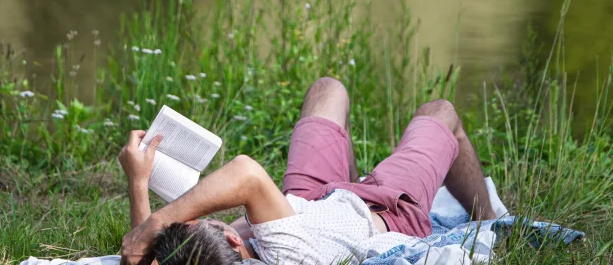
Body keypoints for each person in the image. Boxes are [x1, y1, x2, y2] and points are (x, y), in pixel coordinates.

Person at [118, 77, 497, 265]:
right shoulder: (288, 257)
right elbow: (246, 173)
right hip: (385, 211)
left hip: (309, 197)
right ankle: (492, 219)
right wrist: (153, 225)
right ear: (235, 243)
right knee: (441, 113)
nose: (203, 218)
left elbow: (142, 258)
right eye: (208, 221)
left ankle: (351, 173)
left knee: (328, 89)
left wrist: (138, 182)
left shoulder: (208, 260)